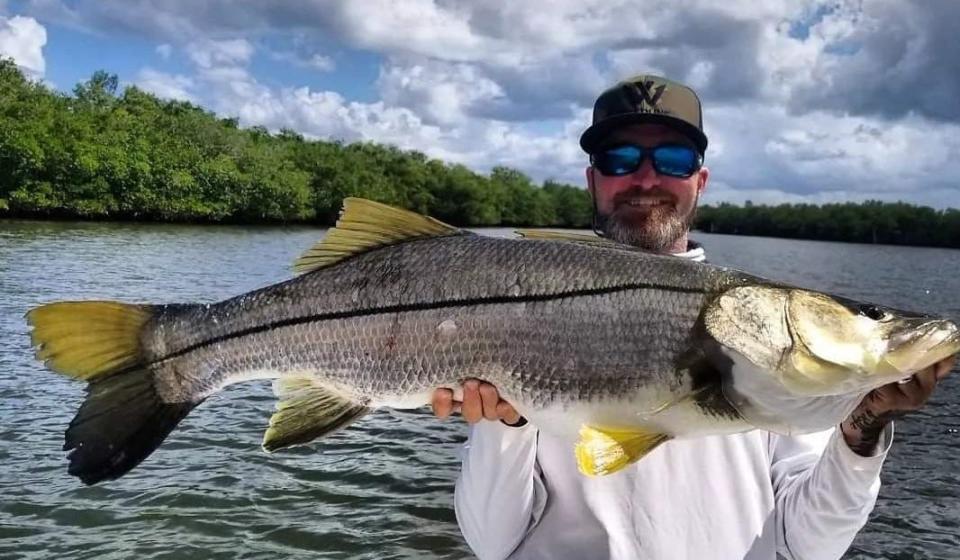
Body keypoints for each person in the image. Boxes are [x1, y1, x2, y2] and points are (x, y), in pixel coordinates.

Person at [431, 75, 957, 560]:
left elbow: (808, 547)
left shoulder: (762, 336)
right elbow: (493, 543)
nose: (645, 178)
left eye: (674, 159)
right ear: (593, 180)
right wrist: (507, 427)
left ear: (700, 180)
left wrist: (861, 430)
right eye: (619, 159)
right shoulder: (524, 309)